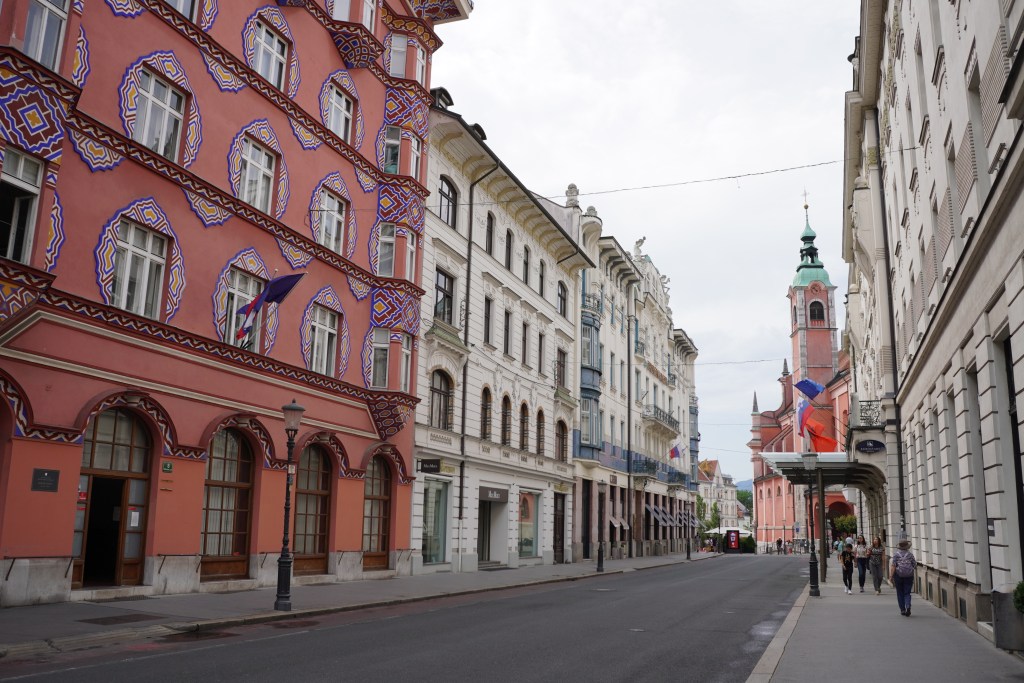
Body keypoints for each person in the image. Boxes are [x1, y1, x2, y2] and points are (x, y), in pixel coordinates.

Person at [890, 536, 917, 616]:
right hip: (909, 576)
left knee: (900, 592)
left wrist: (891, 576)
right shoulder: (910, 555)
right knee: (907, 592)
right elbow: (914, 565)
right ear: (907, 546)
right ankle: (908, 606)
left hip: (898, 576)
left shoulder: (896, 555)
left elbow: (893, 566)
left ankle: (902, 609)